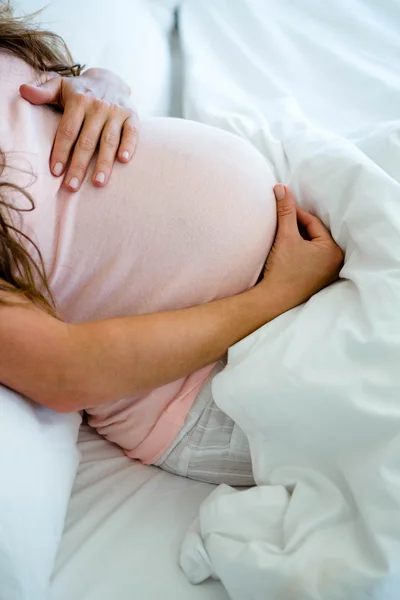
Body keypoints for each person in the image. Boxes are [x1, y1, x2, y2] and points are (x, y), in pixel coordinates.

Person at [0, 5, 343, 486]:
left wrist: (99, 84)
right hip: (205, 390)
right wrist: (280, 293)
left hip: (295, 259)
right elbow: (64, 372)